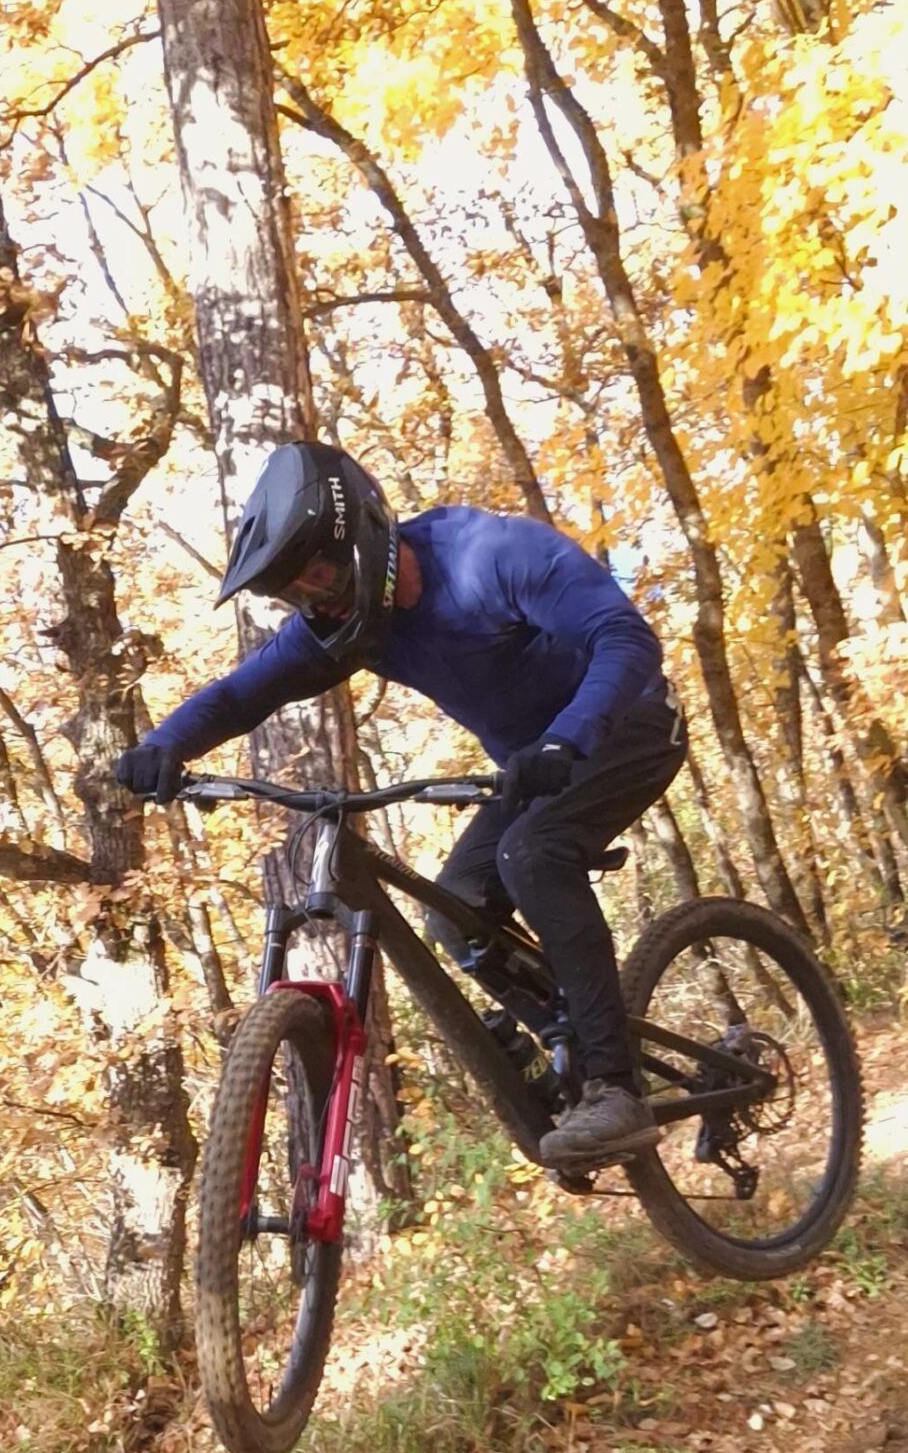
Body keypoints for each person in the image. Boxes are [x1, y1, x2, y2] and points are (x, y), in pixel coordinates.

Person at [114, 442, 687, 1166]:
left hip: (630, 723)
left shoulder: (489, 555)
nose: (315, 599)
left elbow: (624, 639)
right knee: (455, 909)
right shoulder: (351, 625)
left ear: (360, 537)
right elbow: (238, 696)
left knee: (533, 855)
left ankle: (614, 1087)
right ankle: (566, 1040)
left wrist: (565, 738)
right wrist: (164, 746)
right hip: (537, 765)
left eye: (318, 574)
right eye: (295, 593)